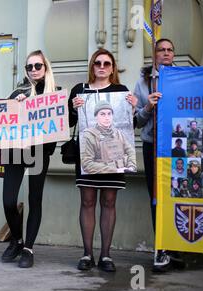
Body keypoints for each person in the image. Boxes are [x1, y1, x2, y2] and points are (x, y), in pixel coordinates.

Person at [69, 48, 137, 272]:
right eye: (97, 62)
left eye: (107, 63)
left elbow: (130, 126)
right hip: (87, 153)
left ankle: (106, 255)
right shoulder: (80, 90)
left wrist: (133, 107)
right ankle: (87, 254)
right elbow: (69, 122)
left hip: (114, 154)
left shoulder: (122, 91)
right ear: (92, 66)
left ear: (112, 68)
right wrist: (72, 108)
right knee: (87, 201)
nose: (101, 66)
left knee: (109, 202)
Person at [0, 50, 58, 268]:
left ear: (45, 67)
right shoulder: (17, 92)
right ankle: (17, 240)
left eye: (37, 66)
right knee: (8, 200)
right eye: (29, 67)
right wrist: (16, 103)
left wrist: (73, 109)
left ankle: (28, 249)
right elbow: (3, 119)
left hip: (39, 151)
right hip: (15, 151)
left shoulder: (55, 93)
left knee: (35, 199)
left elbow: (64, 124)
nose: (33, 70)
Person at [80, 100, 136, 174]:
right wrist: (115, 171)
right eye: (102, 114)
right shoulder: (89, 135)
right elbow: (87, 164)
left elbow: (131, 152)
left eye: (109, 114)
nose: (107, 118)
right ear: (96, 116)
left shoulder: (118, 133)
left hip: (121, 177)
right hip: (99, 180)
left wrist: (131, 167)